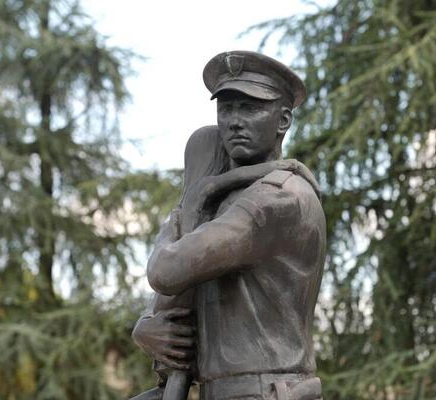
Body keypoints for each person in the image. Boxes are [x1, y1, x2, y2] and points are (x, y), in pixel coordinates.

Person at [133, 51, 326, 400]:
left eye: (250, 108)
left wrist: (187, 205)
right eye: (226, 109)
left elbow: (169, 269)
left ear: (282, 121)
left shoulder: (278, 198)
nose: (234, 121)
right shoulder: (225, 202)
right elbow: (179, 290)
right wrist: (149, 325)